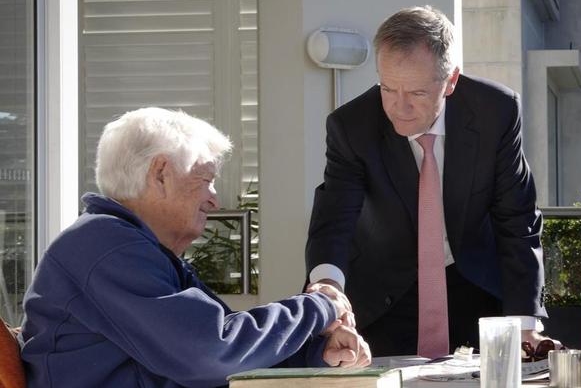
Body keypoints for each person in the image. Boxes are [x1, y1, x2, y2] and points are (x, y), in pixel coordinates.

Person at [20, 108, 370, 388]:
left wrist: (318, 353)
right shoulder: (104, 245)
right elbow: (210, 352)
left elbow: (228, 348)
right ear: (160, 173)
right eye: (206, 180)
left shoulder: (134, 246)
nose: (215, 200)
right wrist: (320, 306)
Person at [305, 6, 547, 357]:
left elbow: (517, 219)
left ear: (450, 81)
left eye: (416, 93)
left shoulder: (496, 111)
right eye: (388, 88)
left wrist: (526, 323)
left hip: (473, 282)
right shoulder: (351, 127)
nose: (398, 107)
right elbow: (334, 220)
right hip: (383, 292)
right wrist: (328, 289)